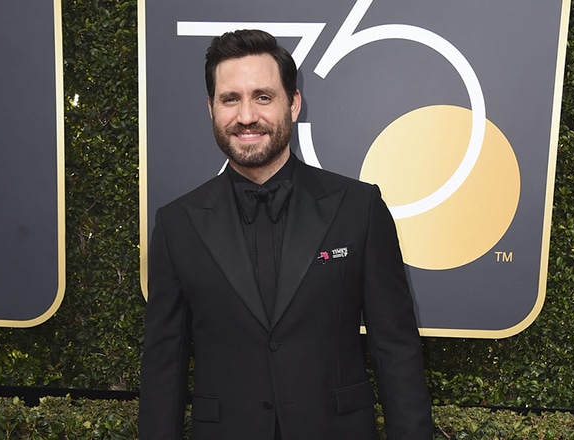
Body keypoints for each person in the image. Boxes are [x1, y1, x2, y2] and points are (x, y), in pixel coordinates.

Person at [140, 29, 433, 440]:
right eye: (230, 99)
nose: (246, 116)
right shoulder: (177, 224)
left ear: (293, 104)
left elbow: (395, 349)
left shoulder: (358, 208)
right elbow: (164, 365)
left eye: (263, 97)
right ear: (211, 108)